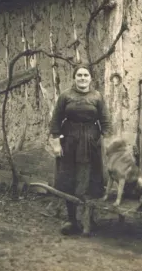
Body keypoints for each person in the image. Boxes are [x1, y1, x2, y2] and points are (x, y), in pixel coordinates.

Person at [48, 65, 112, 235]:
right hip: (69, 142)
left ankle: (89, 219)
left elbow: (105, 121)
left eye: (85, 75)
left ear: (91, 78)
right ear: (74, 78)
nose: (82, 78)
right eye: (79, 75)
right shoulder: (65, 96)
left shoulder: (97, 97)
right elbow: (55, 120)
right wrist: (56, 143)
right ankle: (71, 220)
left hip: (91, 143)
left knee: (91, 179)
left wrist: (107, 142)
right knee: (69, 178)